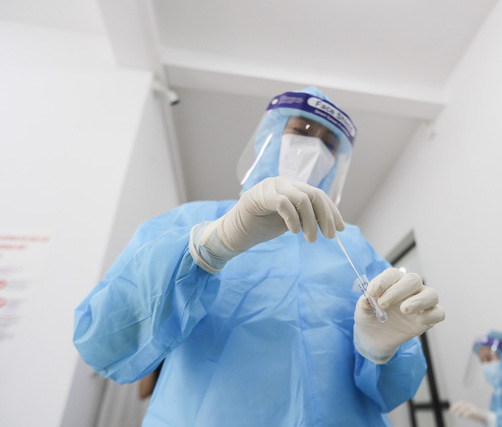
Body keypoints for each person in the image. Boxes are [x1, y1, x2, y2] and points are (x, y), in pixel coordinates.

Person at [73, 87, 445, 426]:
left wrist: (382, 351)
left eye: (329, 143)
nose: (315, 148)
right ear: (271, 135)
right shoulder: (194, 220)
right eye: (301, 131)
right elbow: (102, 338)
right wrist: (210, 246)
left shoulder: (353, 246)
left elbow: (392, 393)